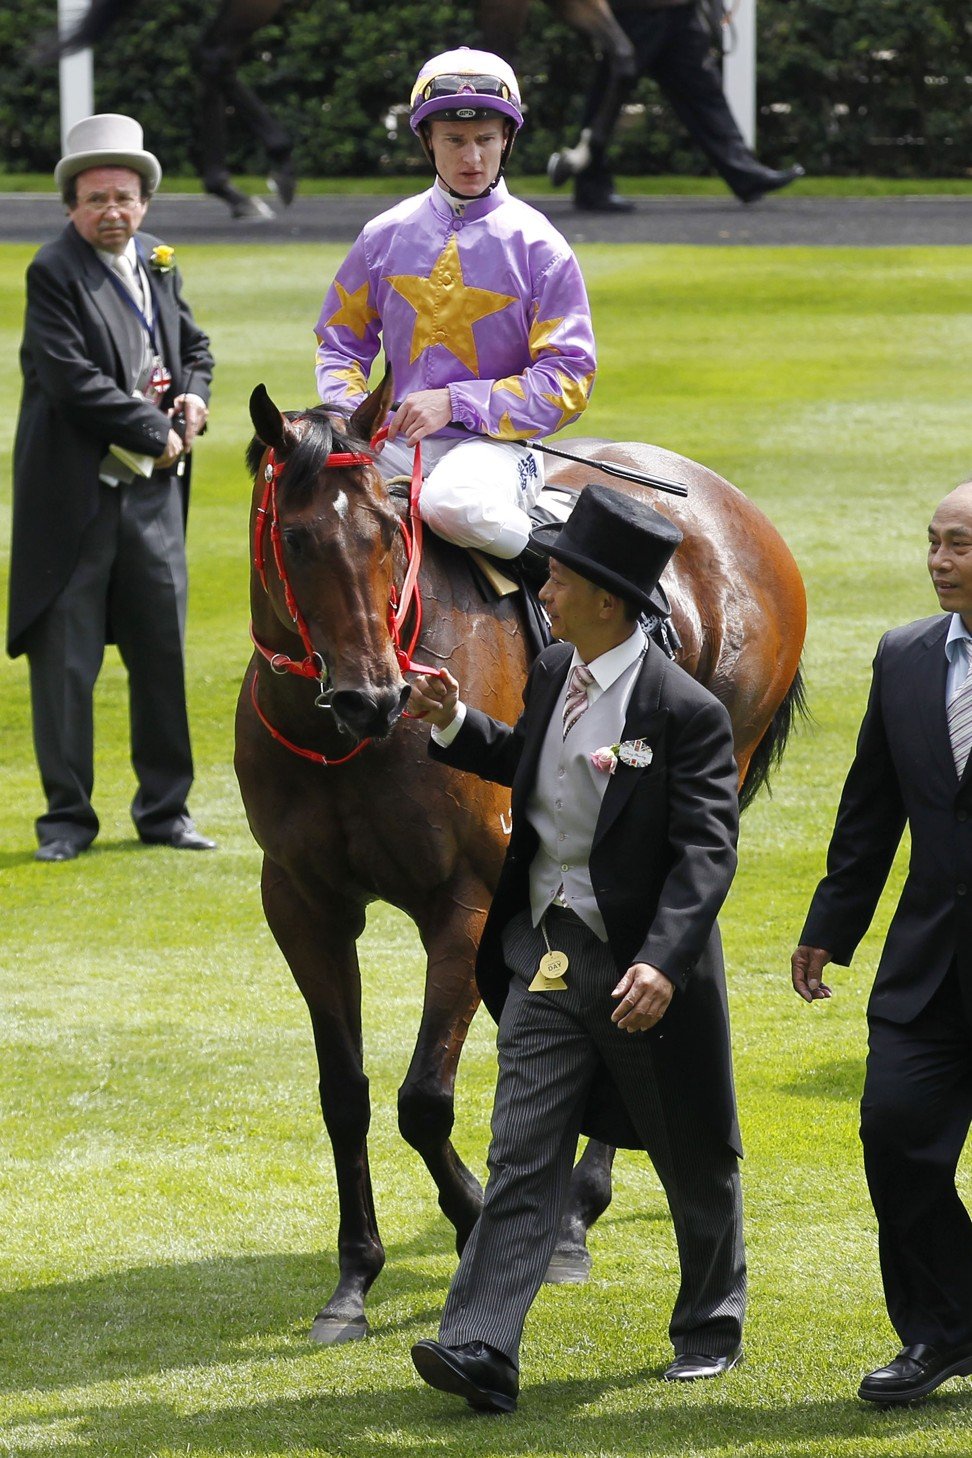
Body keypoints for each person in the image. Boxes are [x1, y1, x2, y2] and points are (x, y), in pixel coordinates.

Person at [406, 483, 745, 1412]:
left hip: (643, 973)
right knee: (522, 1148)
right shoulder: (557, 670)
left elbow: (706, 852)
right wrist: (449, 722)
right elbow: (532, 763)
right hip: (547, 955)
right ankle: (479, 1346)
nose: (541, 590)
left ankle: (711, 1325)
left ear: (607, 598)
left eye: (555, 577)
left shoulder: (683, 713)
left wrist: (664, 962)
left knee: (691, 1153)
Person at [792, 480, 972, 1406]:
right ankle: (945, 1330)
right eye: (934, 542)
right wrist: (830, 926)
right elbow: (871, 811)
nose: (941, 560)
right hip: (928, 968)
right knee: (894, 1133)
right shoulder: (904, 656)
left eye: (961, 546)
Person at [6, 113, 216, 862]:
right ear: (71, 205)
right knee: (65, 667)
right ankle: (67, 821)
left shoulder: (158, 265)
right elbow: (69, 381)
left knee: (161, 657)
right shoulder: (52, 271)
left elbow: (192, 346)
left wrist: (193, 397)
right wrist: (152, 429)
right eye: (95, 199)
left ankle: (166, 813)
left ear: (144, 203)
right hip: (77, 503)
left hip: (153, 503)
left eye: (123, 198)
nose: (111, 212)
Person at [314, 47, 597, 576]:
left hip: (499, 448)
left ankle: (564, 576)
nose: (472, 159)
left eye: (486, 140)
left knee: (451, 505)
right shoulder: (383, 237)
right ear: (427, 141)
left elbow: (570, 380)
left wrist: (456, 403)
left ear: (506, 140)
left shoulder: (542, 247)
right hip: (393, 446)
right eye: (455, 141)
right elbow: (338, 346)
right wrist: (357, 415)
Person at [549, 0, 804, 213]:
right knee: (610, 94)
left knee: (705, 94)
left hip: (680, 11)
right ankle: (591, 184)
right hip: (636, 11)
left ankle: (746, 174)